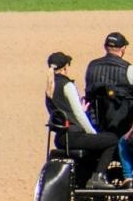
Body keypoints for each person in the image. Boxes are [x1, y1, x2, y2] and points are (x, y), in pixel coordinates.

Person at [45, 52, 122, 187]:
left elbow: (61, 111)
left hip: (61, 138)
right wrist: (92, 133)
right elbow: (79, 115)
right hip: (74, 136)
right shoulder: (66, 85)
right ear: (65, 67)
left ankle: (84, 179)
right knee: (112, 140)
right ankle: (98, 177)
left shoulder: (49, 87)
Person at [84, 31, 133, 135]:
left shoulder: (92, 66)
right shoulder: (129, 68)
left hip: (95, 118)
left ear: (105, 47)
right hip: (121, 122)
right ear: (123, 48)